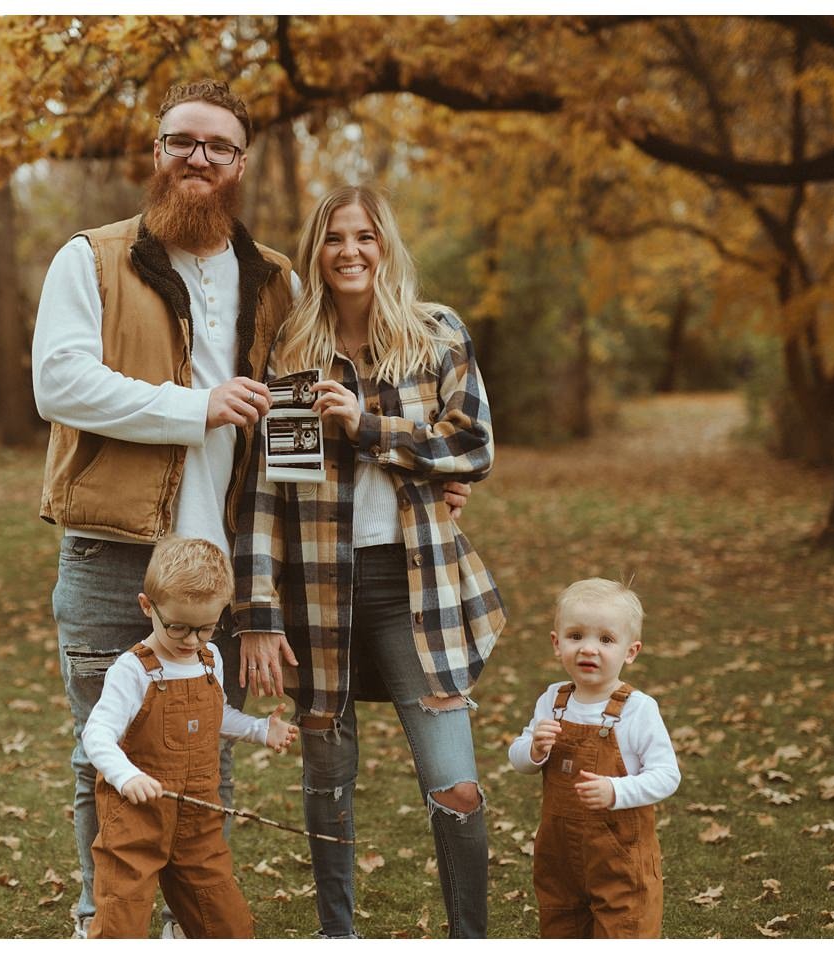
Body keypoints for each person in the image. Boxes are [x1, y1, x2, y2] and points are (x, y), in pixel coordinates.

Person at [31, 81, 473, 937]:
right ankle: (105, 925)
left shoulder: (274, 279)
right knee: (104, 757)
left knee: (203, 763)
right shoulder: (90, 258)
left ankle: (190, 930)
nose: (198, 158)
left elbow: (324, 403)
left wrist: (422, 473)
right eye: (181, 141)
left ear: (240, 164)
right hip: (112, 551)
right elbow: (59, 382)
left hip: (221, 557)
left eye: (218, 147)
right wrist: (192, 407)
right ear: (155, 152)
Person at [231, 185, 504, 938]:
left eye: (365, 236)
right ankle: (337, 934)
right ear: (316, 252)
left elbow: (473, 446)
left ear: (387, 246)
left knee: (454, 785)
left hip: (415, 588)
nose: (350, 251)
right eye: (333, 238)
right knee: (327, 778)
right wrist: (257, 611)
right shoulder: (295, 353)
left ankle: (470, 940)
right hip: (317, 594)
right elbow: (267, 498)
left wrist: (369, 427)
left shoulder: (435, 335)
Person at [82, 538, 292, 938]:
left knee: (224, 920)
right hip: (137, 817)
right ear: (148, 607)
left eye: (206, 628)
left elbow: (215, 716)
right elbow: (97, 734)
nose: (192, 641)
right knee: (121, 919)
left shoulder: (209, 658)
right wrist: (126, 777)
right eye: (178, 627)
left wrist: (260, 729)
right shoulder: (133, 670)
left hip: (198, 816)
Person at [508, 579, 679, 938]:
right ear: (557, 643)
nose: (589, 649)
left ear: (630, 652)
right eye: (576, 636)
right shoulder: (553, 699)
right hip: (559, 856)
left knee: (622, 928)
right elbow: (518, 758)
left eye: (605, 640)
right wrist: (534, 750)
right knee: (561, 924)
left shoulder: (638, 709)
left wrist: (617, 792)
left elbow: (667, 775)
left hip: (618, 858)